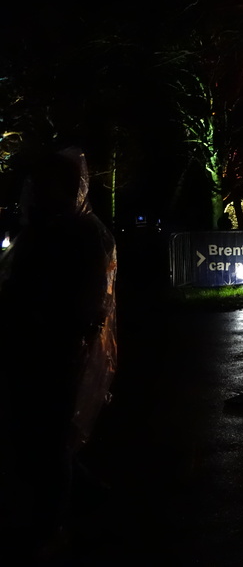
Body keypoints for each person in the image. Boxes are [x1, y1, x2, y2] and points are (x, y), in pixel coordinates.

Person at [0, 146, 117, 557]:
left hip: (55, 349)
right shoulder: (41, 228)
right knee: (32, 434)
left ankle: (50, 526)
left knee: (47, 439)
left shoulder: (81, 232)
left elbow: (87, 299)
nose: (35, 188)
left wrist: (64, 331)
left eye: (44, 181)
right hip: (28, 345)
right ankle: (83, 499)